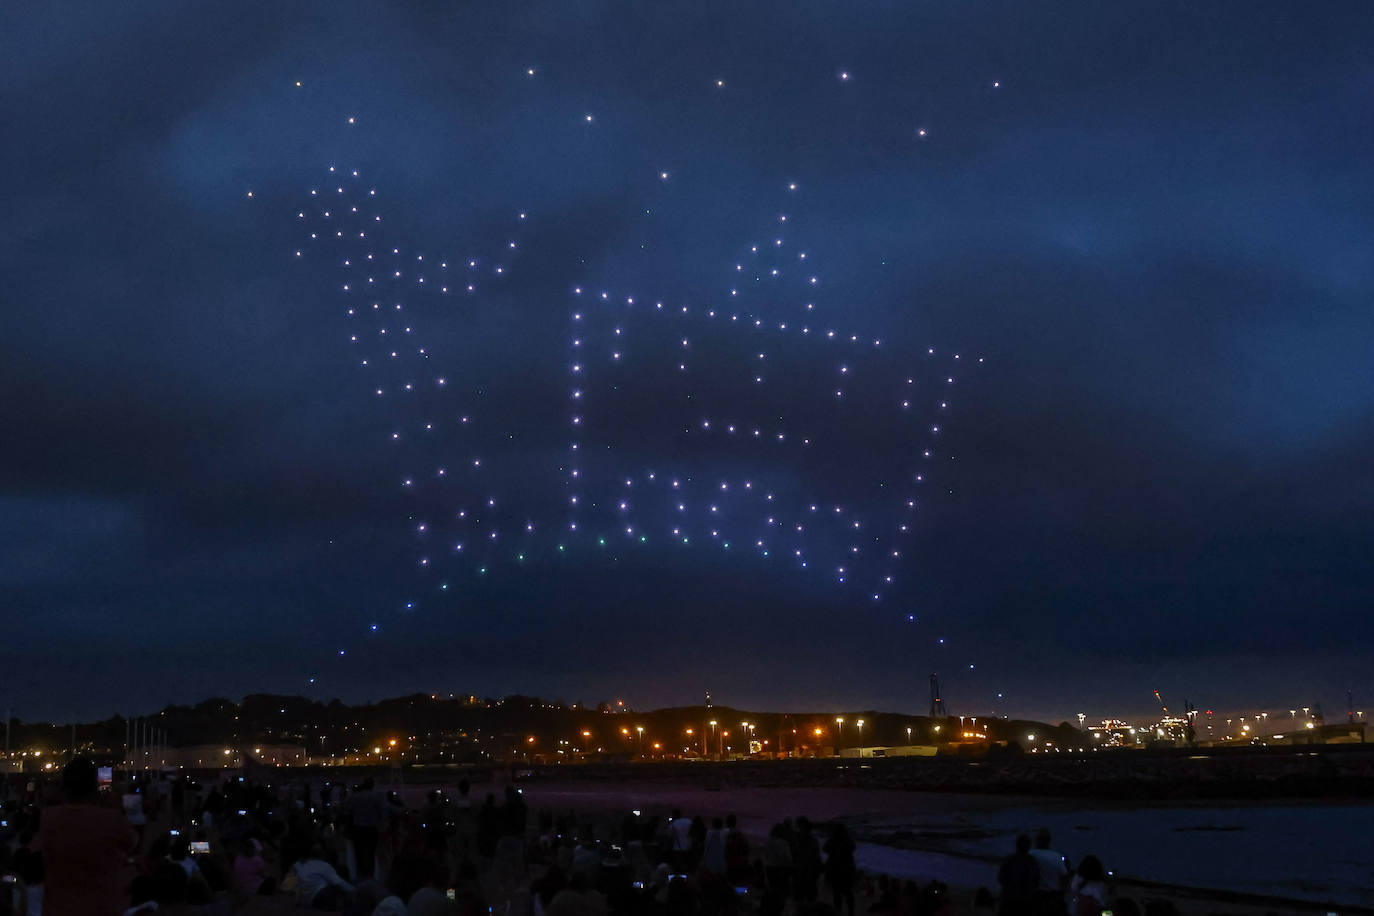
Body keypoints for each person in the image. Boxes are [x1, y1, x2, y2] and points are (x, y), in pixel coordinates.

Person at [35, 757, 138, 916]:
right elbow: (133, 845)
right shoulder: (113, 820)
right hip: (103, 907)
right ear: (94, 786)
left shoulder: (47, 820)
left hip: (58, 908)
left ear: (64, 787)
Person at [291, 844, 354, 909]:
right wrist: (353, 889)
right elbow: (338, 882)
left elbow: (298, 884)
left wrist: (297, 901)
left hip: (314, 900)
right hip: (324, 893)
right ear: (323, 854)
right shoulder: (324, 865)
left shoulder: (299, 864)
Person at [347, 777, 385, 880]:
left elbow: (350, 812)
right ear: (372, 785)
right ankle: (370, 875)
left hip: (358, 828)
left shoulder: (355, 797)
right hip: (372, 829)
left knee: (358, 852)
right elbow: (382, 813)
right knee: (371, 853)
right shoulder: (376, 797)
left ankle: (360, 873)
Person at [1028, 829, 1068, 915]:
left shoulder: (1030, 855)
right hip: (1052, 897)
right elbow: (1064, 877)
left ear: (1036, 840)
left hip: (1034, 896)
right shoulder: (1057, 857)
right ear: (1049, 841)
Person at [998, 834, 1041, 916]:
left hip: (1009, 900)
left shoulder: (1009, 860)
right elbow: (1037, 881)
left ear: (1016, 845)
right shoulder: (1032, 862)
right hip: (1026, 902)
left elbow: (1001, 879)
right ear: (1029, 846)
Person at [823, 824, 857, 916]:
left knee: (837, 894)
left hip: (836, 870)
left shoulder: (832, 841)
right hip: (847, 870)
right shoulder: (847, 841)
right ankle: (851, 912)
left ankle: (839, 912)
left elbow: (825, 848)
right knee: (848, 893)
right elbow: (853, 847)